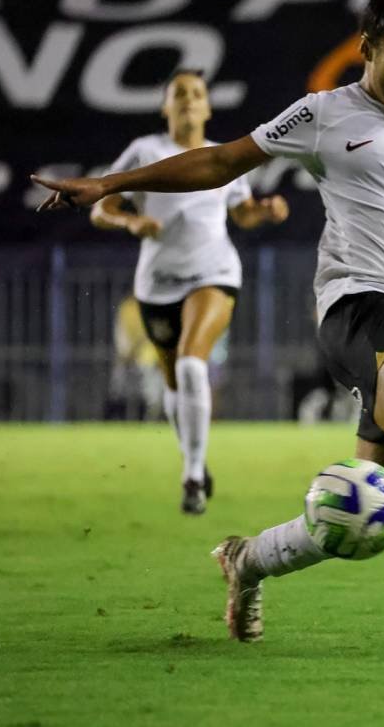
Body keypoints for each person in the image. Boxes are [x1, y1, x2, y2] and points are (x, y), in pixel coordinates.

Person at [34, 0, 384, 643]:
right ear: (367, 48)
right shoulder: (323, 113)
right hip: (356, 303)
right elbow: (222, 161)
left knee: (365, 512)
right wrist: (106, 184)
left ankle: (245, 561)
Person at [87, 69, 289, 515]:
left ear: (208, 106)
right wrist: (130, 221)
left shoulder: (221, 157)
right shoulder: (146, 151)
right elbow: (102, 207)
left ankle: (193, 476)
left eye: (197, 94)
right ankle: (193, 460)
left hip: (213, 273)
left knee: (192, 363)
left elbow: (242, 215)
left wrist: (265, 210)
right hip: (157, 283)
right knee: (174, 383)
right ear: (165, 106)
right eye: (178, 94)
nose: (188, 101)